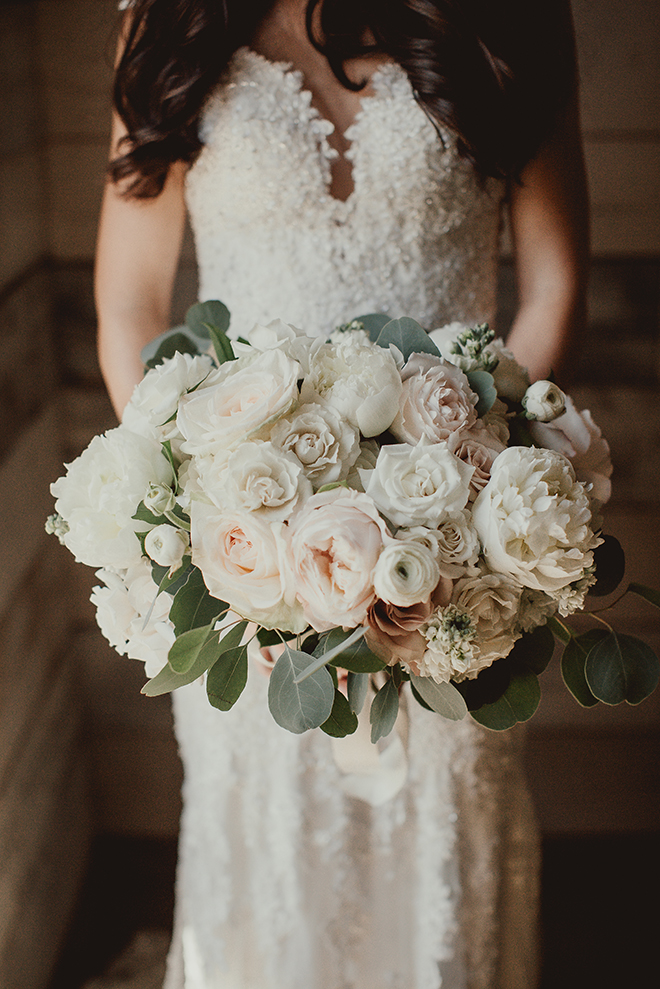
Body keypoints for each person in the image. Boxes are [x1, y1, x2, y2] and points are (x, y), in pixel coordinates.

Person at [95, 1, 589, 986]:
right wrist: (218, 518)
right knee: (269, 849)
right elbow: (131, 305)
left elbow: (552, 281)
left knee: (439, 840)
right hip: (248, 556)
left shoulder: (514, 13)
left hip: (450, 558)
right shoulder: (169, 17)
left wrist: (456, 501)